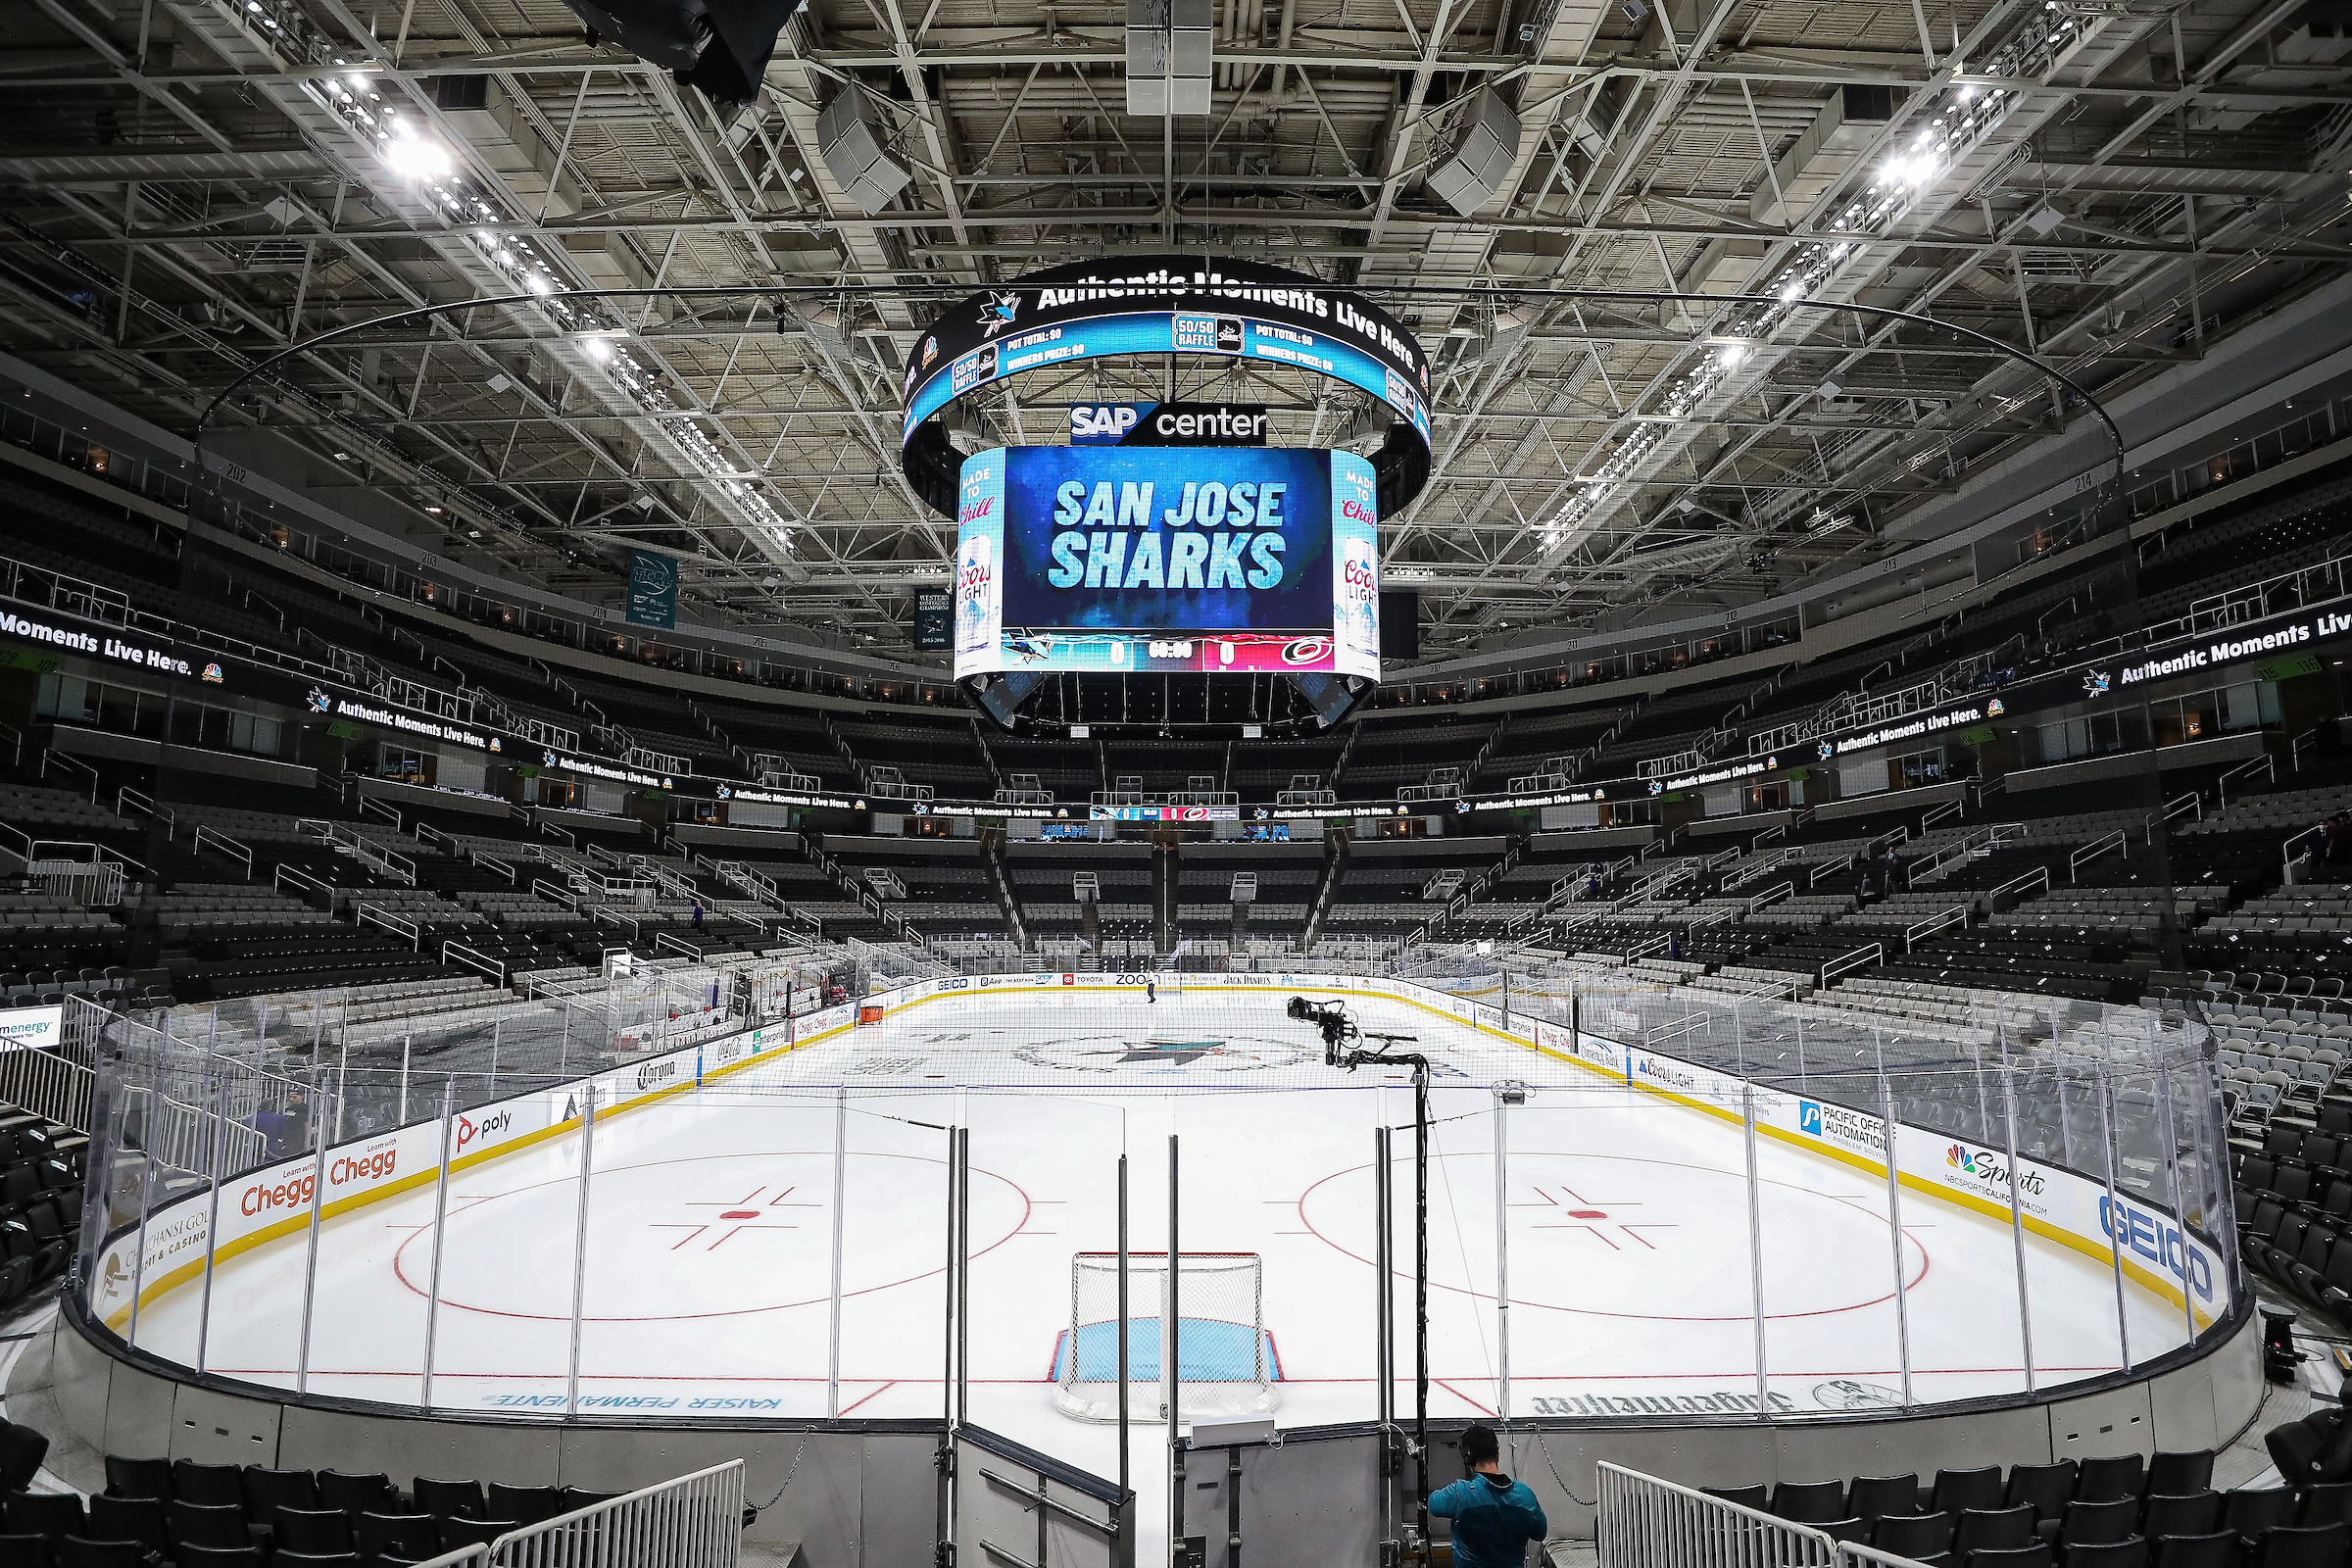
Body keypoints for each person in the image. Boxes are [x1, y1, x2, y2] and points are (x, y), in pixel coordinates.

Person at [1430, 1423, 1548, 1567]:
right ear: (1498, 1455)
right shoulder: (1526, 1495)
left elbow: (1432, 1504)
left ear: (1468, 1457)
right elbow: (1540, 1533)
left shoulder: (1459, 1493)